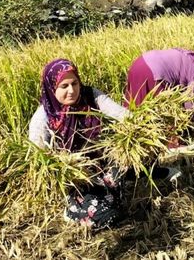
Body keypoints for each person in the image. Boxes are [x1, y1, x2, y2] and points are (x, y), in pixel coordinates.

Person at [28, 58, 180, 228]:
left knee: (130, 157)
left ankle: (142, 174)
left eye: (74, 83)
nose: (71, 90)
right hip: (77, 178)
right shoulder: (44, 116)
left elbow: (121, 114)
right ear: (52, 87)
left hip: (103, 163)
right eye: (64, 86)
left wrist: (145, 125)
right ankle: (73, 209)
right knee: (107, 215)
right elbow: (38, 157)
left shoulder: (91, 96)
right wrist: (63, 168)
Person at [124, 48, 194, 151]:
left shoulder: (191, 56)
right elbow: (189, 104)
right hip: (155, 74)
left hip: (140, 63)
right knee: (165, 111)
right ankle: (172, 145)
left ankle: (129, 137)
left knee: (135, 105)